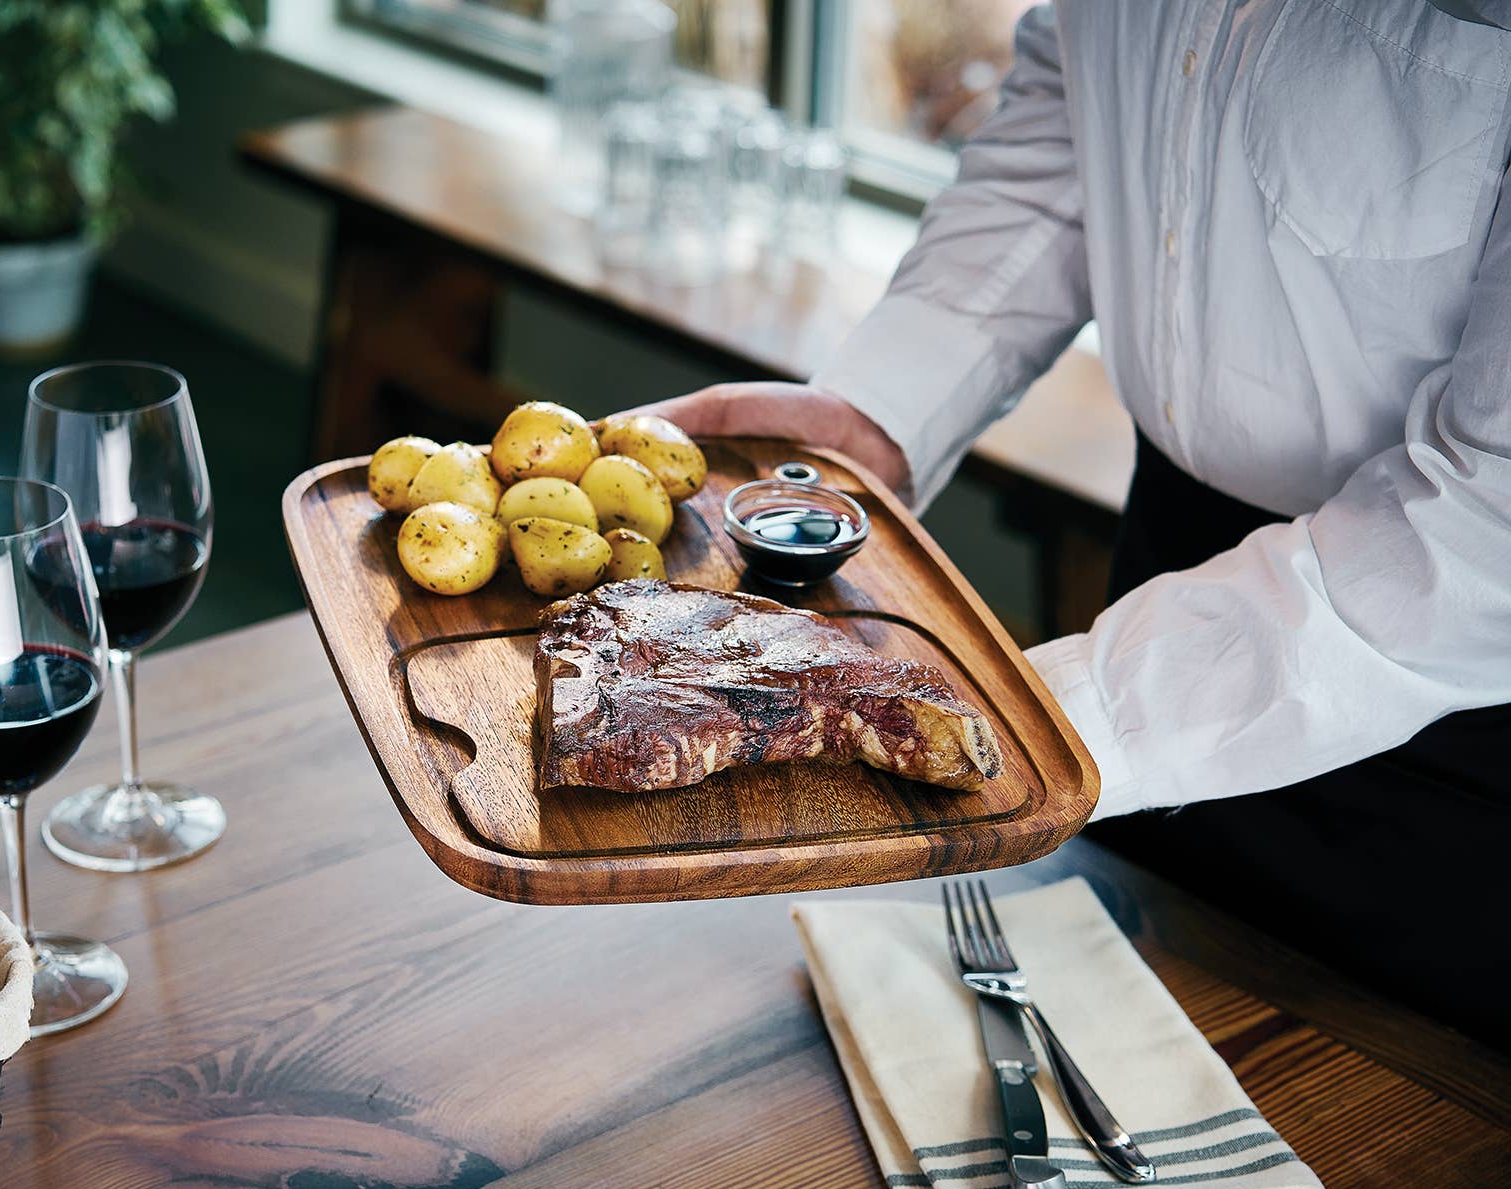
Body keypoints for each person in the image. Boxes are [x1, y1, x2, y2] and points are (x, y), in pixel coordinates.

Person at [626, 3, 1511, 1046]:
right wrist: (882, 407)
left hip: (1456, 708)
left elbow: (1486, 529)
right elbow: (1068, 130)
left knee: (1405, 1128)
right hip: (1169, 565)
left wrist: (1044, 715)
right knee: (1123, 1037)